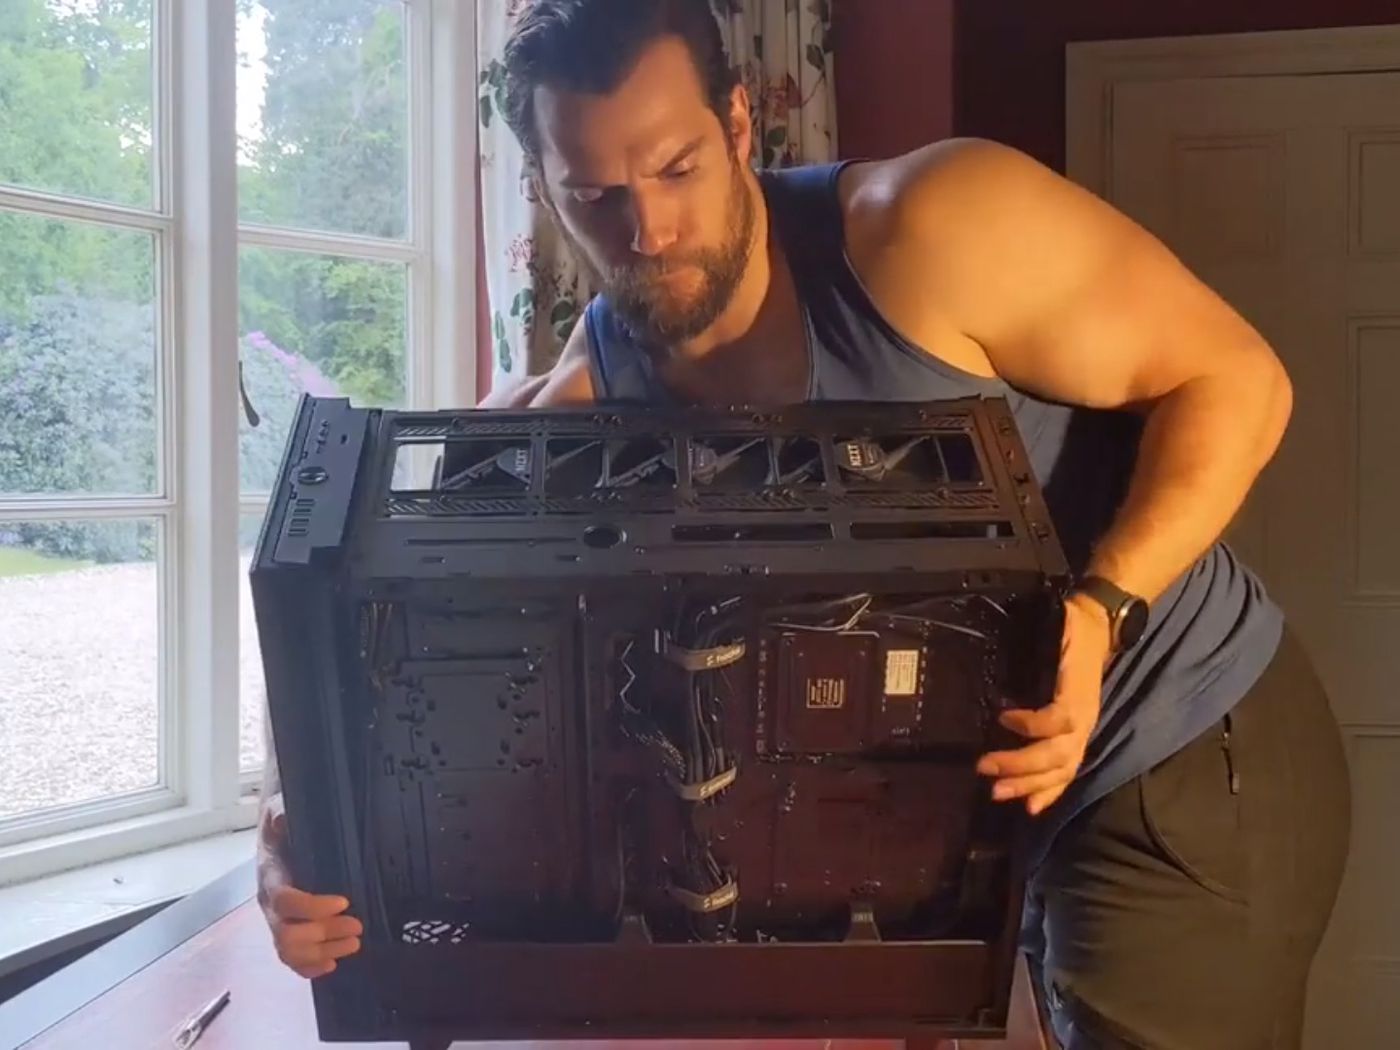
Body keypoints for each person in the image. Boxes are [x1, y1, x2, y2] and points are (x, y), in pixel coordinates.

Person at [257, 1, 1352, 1045]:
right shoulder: (600, 382)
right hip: (977, 810)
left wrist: (1100, 609)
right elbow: (376, 580)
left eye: (675, 168)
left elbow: (1239, 379)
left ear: (738, 122)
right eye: (593, 195)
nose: (646, 229)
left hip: (1171, 741)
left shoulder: (934, 227)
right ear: (542, 192)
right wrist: (300, 823)